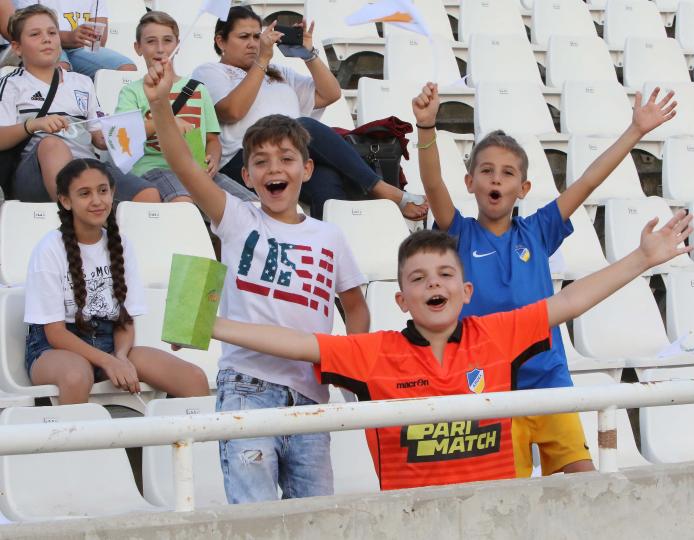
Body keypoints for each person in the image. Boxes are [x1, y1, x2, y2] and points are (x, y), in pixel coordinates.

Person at [209, 216, 693, 490]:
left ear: (465, 291)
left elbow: (567, 302)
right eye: (418, 279)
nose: (432, 285)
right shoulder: (374, 354)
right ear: (402, 300)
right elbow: (298, 344)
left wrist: (642, 259)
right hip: (414, 521)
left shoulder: (497, 335)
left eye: (444, 275)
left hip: (497, 516)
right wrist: (212, 326)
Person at [411, 82, 677, 477]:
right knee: (510, 493)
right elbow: (433, 186)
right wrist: (426, 128)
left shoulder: (538, 230)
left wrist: (635, 130)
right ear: (470, 183)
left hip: (549, 379)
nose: (496, 180)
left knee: (584, 480)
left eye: (507, 173)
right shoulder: (459, 234)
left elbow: (587, 182)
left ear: (523, 188)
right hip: (490, 388)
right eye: (486, 171)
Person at [145, 56, 371, 502]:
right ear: (247, 176)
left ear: (307, 170)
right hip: (246, 388)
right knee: (254, 515)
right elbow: (184, 166)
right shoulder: (237, 218)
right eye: (262, 162)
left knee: (315, 515)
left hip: (311, 395)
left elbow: (355, 305)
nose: (275, 170)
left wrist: (348, 363)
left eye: (286, 159)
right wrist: (160, 107)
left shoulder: (330, 235)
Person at [191, 5, 427, 220]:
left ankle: (328, 244)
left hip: (289, 156)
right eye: (244, 37)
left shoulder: (278, 72)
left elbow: (330, 93)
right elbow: (232, 111)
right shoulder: (210, 72)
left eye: (256, 36)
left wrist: (308, 54)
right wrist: (262, 61)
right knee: (301, 126)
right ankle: (381, 188)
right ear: (221, 41)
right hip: (245, 159)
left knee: (325, 177)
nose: (253, 43)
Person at [24, 158, 210, 405]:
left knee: (193, 378)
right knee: (76, 376)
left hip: (110, 343)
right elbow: (55, 333)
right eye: (84, 193)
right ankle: (73, 432)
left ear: (112, 193)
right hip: (56, 349)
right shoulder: (49, 249)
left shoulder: (120, 244)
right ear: (66, 201)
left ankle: (187, 432)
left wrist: (120, 356)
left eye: (103, 191)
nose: (97, 200)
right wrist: (107, 361)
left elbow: (125, 319)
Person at [0, 5, 159, 203]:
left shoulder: (82, 82)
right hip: (34, 173)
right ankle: (72, 214)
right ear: (17, 47)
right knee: (51, 144)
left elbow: (99, 137)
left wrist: (121, 132)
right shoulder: (12, 84)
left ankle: (87, 210)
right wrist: (32, 125)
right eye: (35, 34)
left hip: (87, 167)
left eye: (52, 33)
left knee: (147, 194)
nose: (46, 39)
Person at [115, 10, 257, 204]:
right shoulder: (131, 92)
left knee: (252, 205)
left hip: (197, 170)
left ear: (178, 45)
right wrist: (167, 122)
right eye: (151, 41)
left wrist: (213, 160)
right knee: (183, 200)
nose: (160, 49)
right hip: (154, 168)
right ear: (138, 47)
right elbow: (123, 135)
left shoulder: (198, 89)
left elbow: (212, 139)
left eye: (167, 40)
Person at [15, 0, 136, 77]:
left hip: (80, 48)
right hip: (46, 44)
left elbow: (99, 40)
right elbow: (28, 30)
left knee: (127, 69)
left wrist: (80, 38)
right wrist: (69, 37)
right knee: (60, 68)